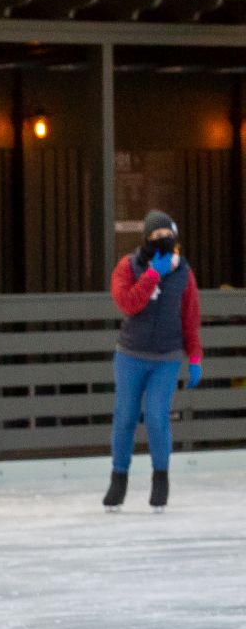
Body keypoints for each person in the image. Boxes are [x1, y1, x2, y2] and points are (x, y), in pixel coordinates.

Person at [105, 209, 203, 512]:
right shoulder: (128, 266)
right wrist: (151, 276)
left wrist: (195, 354)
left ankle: (161, 478)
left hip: (166, 356)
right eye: (155, 236)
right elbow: (127, 304)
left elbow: (190, 316)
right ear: (146, 239)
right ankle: (118, 478)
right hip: (131, 355)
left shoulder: (183, 272)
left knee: (158, 418)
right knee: (125, 418)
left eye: (167, 235)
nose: (162, 240)